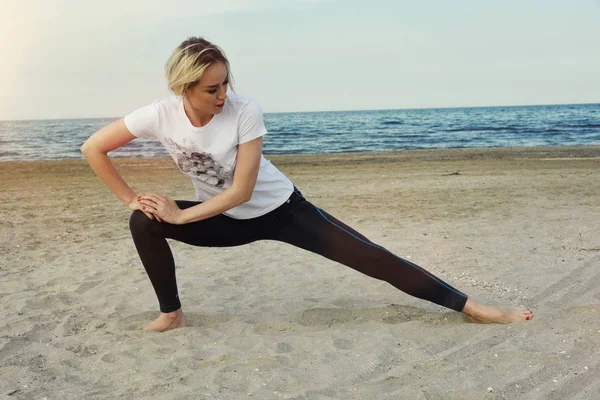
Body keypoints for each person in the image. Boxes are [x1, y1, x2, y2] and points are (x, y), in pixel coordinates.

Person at [81, 37, 534, 332]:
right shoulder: (158, 114)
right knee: (144, 221)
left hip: (283, 211)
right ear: (184, 88)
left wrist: (180, 213)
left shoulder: (245, 110)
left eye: (225, 84)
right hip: (224, 221)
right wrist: (131, 199)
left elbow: (241, 190)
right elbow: (93, 148)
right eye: (210, 89)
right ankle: (172, 313)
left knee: (373, 258)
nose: (223, 95)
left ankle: (471, 307)